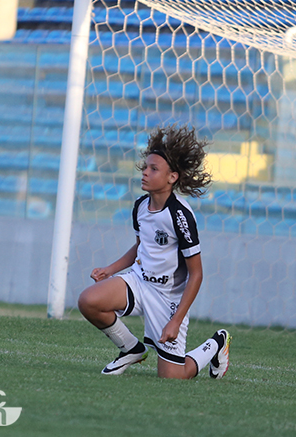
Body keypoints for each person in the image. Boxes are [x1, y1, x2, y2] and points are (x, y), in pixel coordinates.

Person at [78, 125, 231, 380]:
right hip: (139, 282)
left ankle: (217, 343)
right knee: (88, 301)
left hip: (168, 298)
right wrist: (110, 270)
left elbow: (196, 274)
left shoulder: (180, 216)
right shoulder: (140, 206)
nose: (145, 172)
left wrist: (176, 320)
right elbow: (141, 246)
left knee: (173, 376)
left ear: (172, 177)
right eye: (145, 167)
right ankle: (131, 349)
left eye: (153, 169)